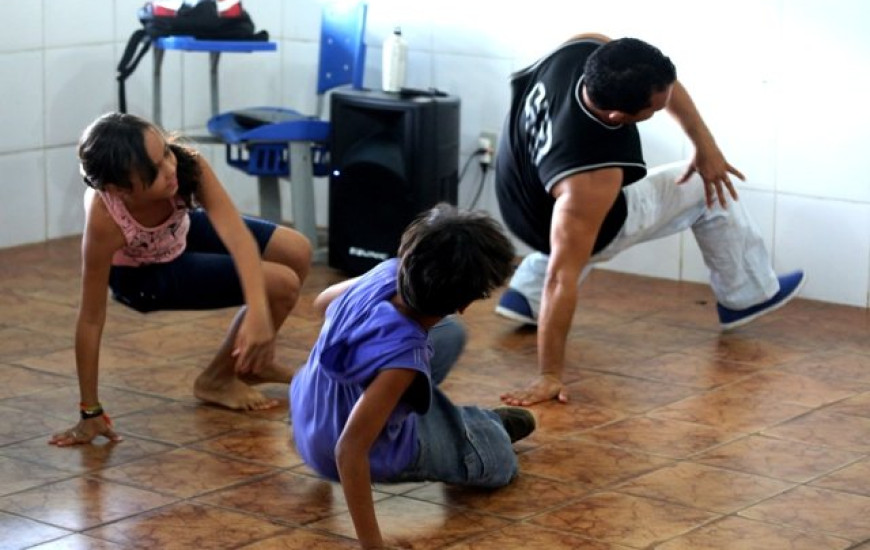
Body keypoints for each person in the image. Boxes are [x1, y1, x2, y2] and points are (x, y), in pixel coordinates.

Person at [494, 34, 805, 406]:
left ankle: (525, 294)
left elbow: (666, 87)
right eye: (653, 111)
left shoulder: (580, 51)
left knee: (570, 235)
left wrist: (705, 146)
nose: (661, 109)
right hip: (566, 218)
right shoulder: (591, 177)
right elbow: (562, 279)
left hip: (518, 195)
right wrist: (548, 375)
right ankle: (749, 294)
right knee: (703, 189)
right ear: (617, 118)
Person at [49, 112, 311, 447]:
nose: (170, 169)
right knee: (281, 283)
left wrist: (261, 316)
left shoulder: (186, 166)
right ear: (119, 189)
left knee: (297, 250)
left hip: (178, 234)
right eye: (154, 171)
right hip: (142, 276)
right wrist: (90, 410)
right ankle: (223, 376)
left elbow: (238, 236)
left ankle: (242, 367)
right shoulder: (106, 218)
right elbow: (90, 318)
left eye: (166, 154)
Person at [290, 204, 536, 550]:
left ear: (409, 253)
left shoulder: (387, 271)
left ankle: (459, 422)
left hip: (310, 408)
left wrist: (365, 342)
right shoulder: (403, 362)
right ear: (465, 302)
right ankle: (483, 428)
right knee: (497, 463)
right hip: (333, 448)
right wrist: (373, 545)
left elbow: (322, 303)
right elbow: (349, 450)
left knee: (449, 335)